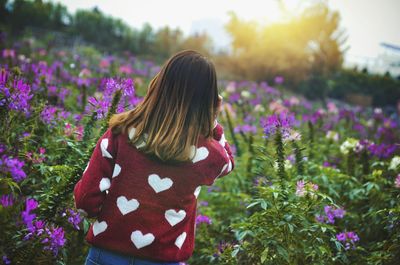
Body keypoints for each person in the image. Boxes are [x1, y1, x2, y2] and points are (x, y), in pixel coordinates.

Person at [73, 50, 235, 265]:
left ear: (159, 84)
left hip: (106, 256)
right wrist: (213, 121)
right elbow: (228, 163)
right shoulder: (207, 153)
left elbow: (85, 200)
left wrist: (113, 223)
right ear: (208, 101)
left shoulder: (120, 133)